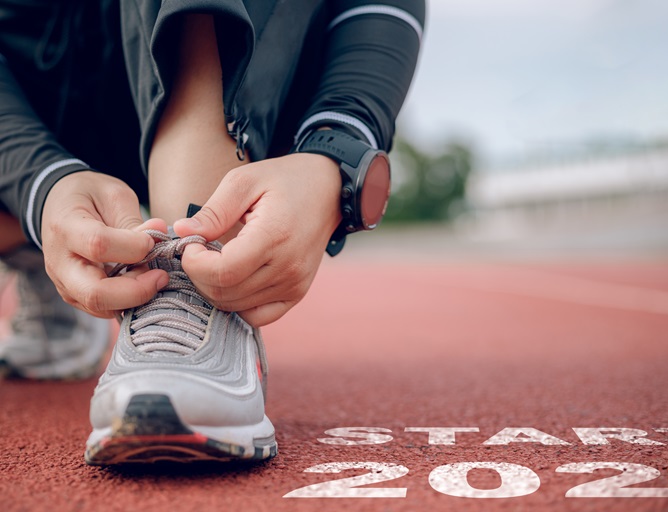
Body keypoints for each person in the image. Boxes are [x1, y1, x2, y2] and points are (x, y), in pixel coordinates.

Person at [0, 0, 424, 465]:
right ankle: (43, 257)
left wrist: (334, 148)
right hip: (35, 83)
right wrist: (40, 184)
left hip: (246, 66)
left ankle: (194, 290)